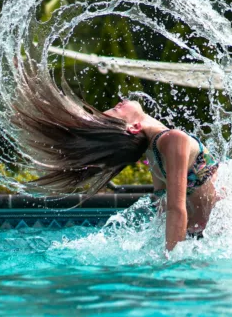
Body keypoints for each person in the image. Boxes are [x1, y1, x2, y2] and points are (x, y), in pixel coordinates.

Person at [11, 63, 220, 251]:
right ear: (133, 127)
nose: (117, 104)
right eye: (115, 111)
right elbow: (175, 208)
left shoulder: (154, 153)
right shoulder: (173, 140)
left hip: (203, 236)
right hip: (220, 233)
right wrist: (171, 265)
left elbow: (162, 206)